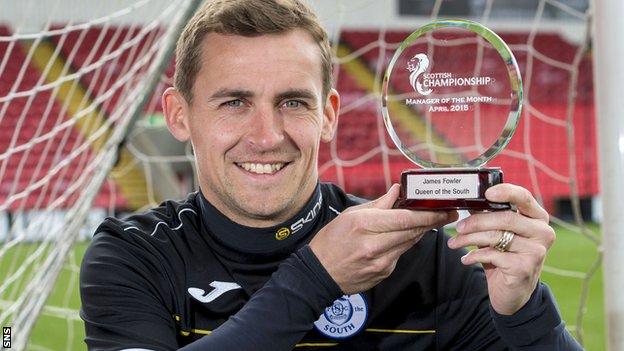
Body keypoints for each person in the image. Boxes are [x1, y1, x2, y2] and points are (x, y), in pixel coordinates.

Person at [79, 0, 583, 350]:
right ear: (178, 115)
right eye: (234, 102)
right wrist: (316, 278)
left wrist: (526, 314)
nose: (266, 135)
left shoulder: (428, 260)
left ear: (329, 115)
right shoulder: (133, 256)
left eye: (293, 102)